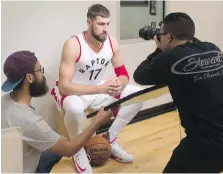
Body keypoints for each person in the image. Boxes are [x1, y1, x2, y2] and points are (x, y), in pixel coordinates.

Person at [51, 4, 143, 173]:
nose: (105, 28)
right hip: (74, 91)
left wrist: (118, 84)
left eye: (107, 23)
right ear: (89, 22)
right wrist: (103, 89)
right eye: (101, 24)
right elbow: (64, 87)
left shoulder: (111, 42)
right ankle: (76, 150)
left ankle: (110, 137)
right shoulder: (73, 44)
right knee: (73, 106)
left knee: (136, 94)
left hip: (98, 87)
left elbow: (123, 74)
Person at [133, 12, 223, 173]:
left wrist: (159, 49)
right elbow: (191, 48)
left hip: (205, 144)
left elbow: (139, 75)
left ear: (168, 36)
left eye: (161, 34)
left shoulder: (169, 57)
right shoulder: (213, 49)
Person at [1, 50, 112, 173]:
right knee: (66, 146)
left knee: (58, 144)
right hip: (27, 169)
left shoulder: (4, 101)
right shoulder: (30, 121)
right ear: (29, 77)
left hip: (12, 163)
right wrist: (97, 122)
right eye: (40, 70)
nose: (43, 75)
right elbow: (68, 149)